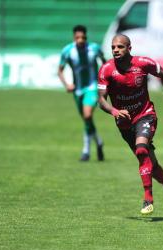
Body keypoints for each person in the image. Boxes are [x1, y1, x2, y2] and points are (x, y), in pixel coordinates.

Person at [97, 34, 163, 215]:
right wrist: (115, 112)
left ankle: (148, 198)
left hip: (145, 115)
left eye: (120, 47)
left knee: (142, 150)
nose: (116, 50)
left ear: (129, 48)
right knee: (150, 163)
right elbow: (101, 100)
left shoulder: (142, 63)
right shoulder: (106, 70)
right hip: (124, 122)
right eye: (113, 47)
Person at [58, 25, 106, 161]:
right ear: (74, 37)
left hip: (93, 87)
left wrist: (105, 82)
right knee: (87, 119)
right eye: (77, 37)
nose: (80, 40)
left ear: (86, 37)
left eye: (83, 37)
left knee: (87, 114)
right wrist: (67, 84)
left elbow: (105, 64)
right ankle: (99, 142)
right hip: (77, 89)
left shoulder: (94, 49)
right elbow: (60, 70)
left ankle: (86, 150)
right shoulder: (68, 51)